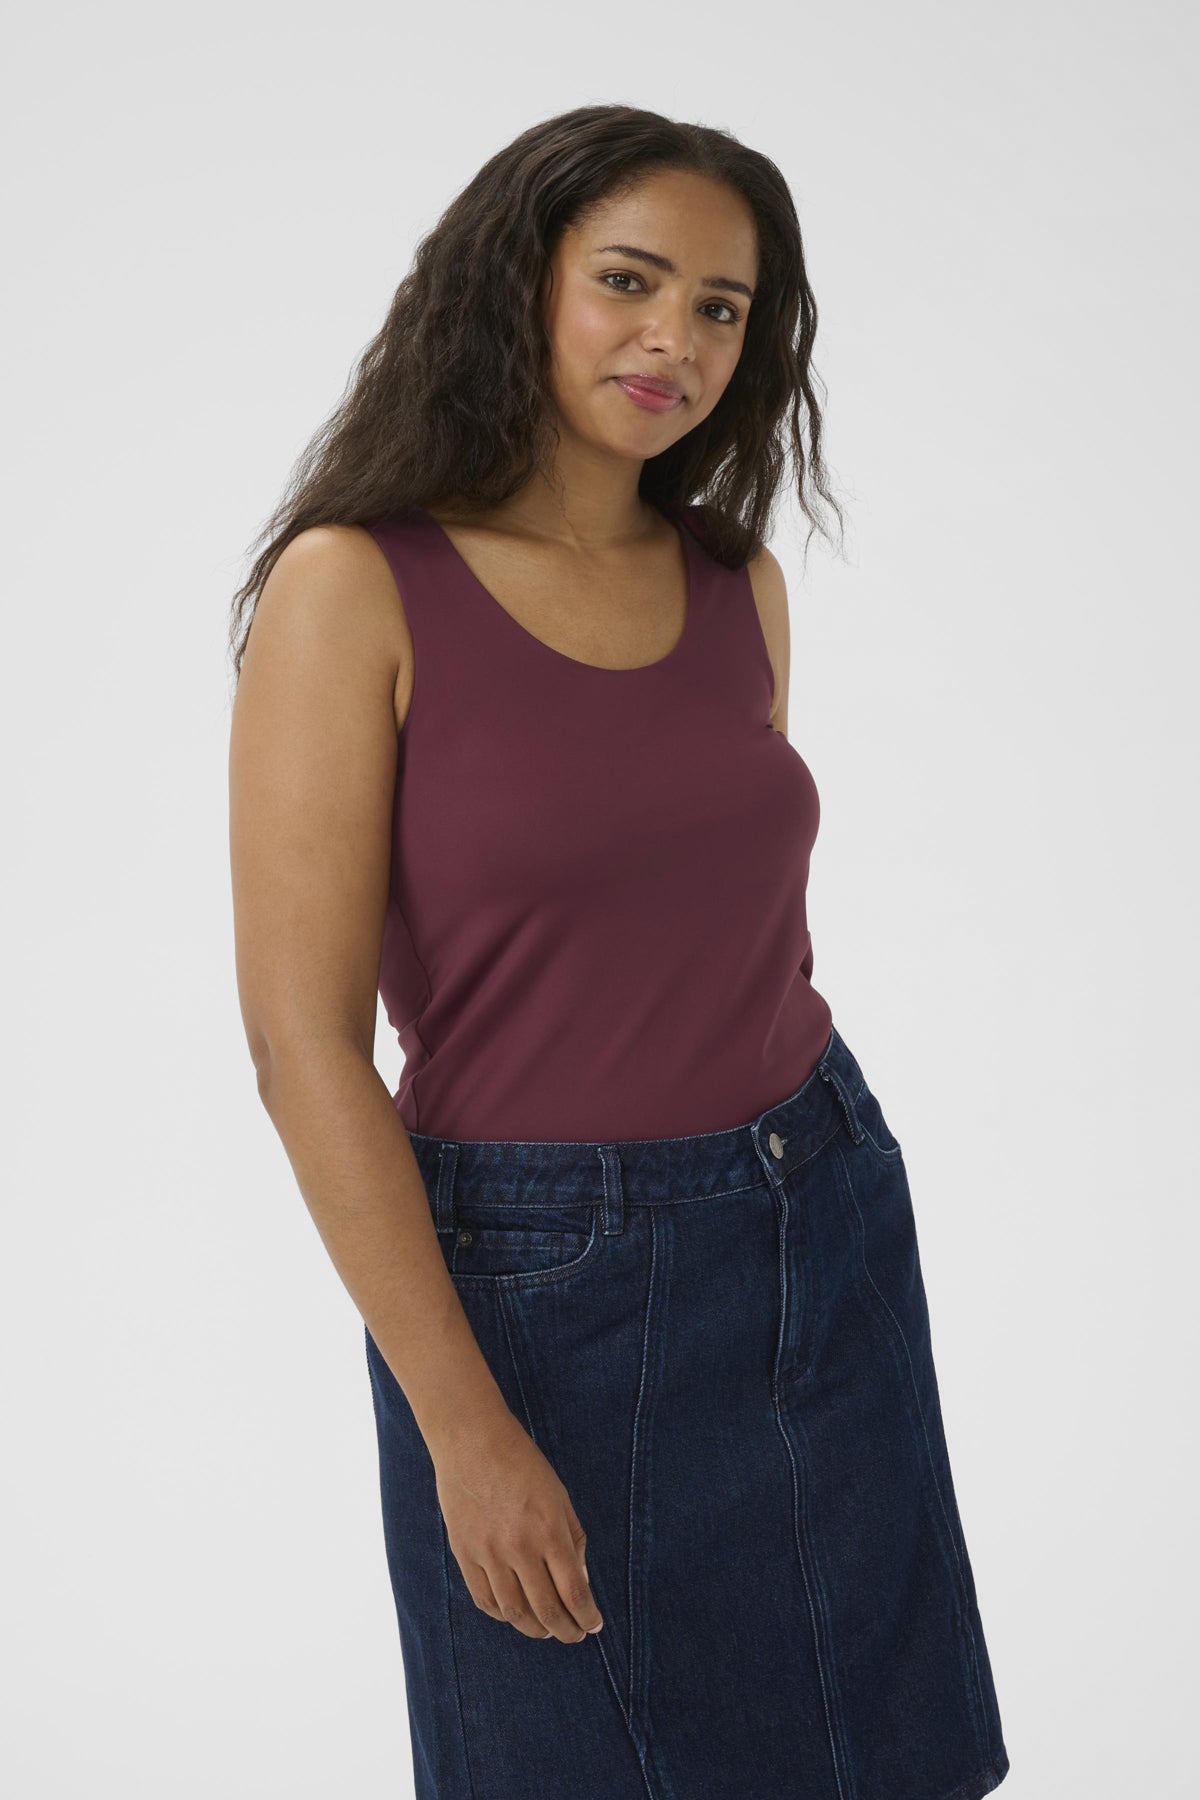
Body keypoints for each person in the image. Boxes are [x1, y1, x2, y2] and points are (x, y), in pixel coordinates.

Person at [227, 103, 1010, 1800]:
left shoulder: (736, 583)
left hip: (817, 1206)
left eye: (722, 307)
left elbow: (716, 915)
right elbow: (302, 1047)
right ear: (517, 282)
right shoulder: (352, 587)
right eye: (631, 282)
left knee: (884, 1760)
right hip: (545, 1287)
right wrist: (463, 1426)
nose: (678, 340)